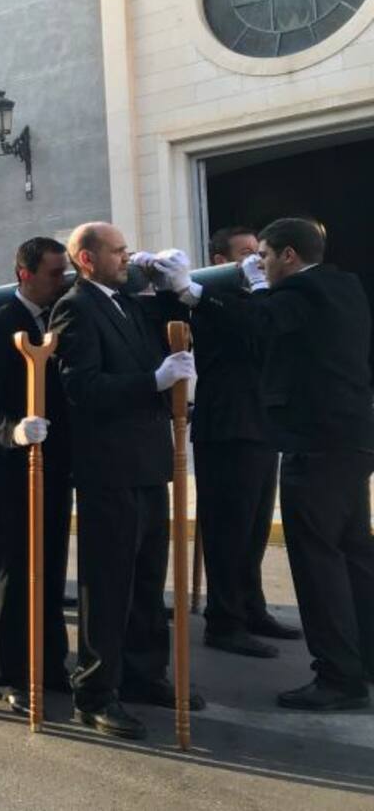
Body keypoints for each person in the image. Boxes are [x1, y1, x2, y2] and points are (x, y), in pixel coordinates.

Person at [155, 218, 374, 711]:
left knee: (319, 562)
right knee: (354, 553)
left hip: (316, 444)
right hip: (348, 440)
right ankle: (363, 659)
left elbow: (260, 325)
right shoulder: (343, 286)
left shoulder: (299, 295)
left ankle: (339, 676)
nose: (260, 265)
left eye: (266, 256)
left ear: (289, 256)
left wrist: (199, 291)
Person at [50, 222, 204, 741]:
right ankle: (94, 692)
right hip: (109, 468)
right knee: (109, 584)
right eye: (118, 252)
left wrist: (177, 292)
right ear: (86, 260)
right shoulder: (76, 307)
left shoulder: (127, 304)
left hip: (147, 463)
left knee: (144, 581)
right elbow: (82, 387)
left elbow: (167, 337)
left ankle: (142, 673)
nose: (128, 258)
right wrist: (153, 382)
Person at [0, 236, 74, 714]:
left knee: (50, 567)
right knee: (15, 571)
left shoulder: (59, 318)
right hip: (11, 469)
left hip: (55, 465)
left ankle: (51, 663)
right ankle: (11, 672)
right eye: (54, 273)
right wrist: (13, 431)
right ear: (25, 273)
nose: (62, 281)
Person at [189, 227, 297, 658]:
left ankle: (252, 607)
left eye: (260, 253)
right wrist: (256, 292)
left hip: (258, 425)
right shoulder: (213, 300)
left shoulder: (256, 300)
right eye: (247, 254)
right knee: (228, 530)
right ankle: (224, 621)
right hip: (227, 427)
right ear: (221, 261)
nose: (257, 260)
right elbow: (250, 336)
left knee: (252, 528)